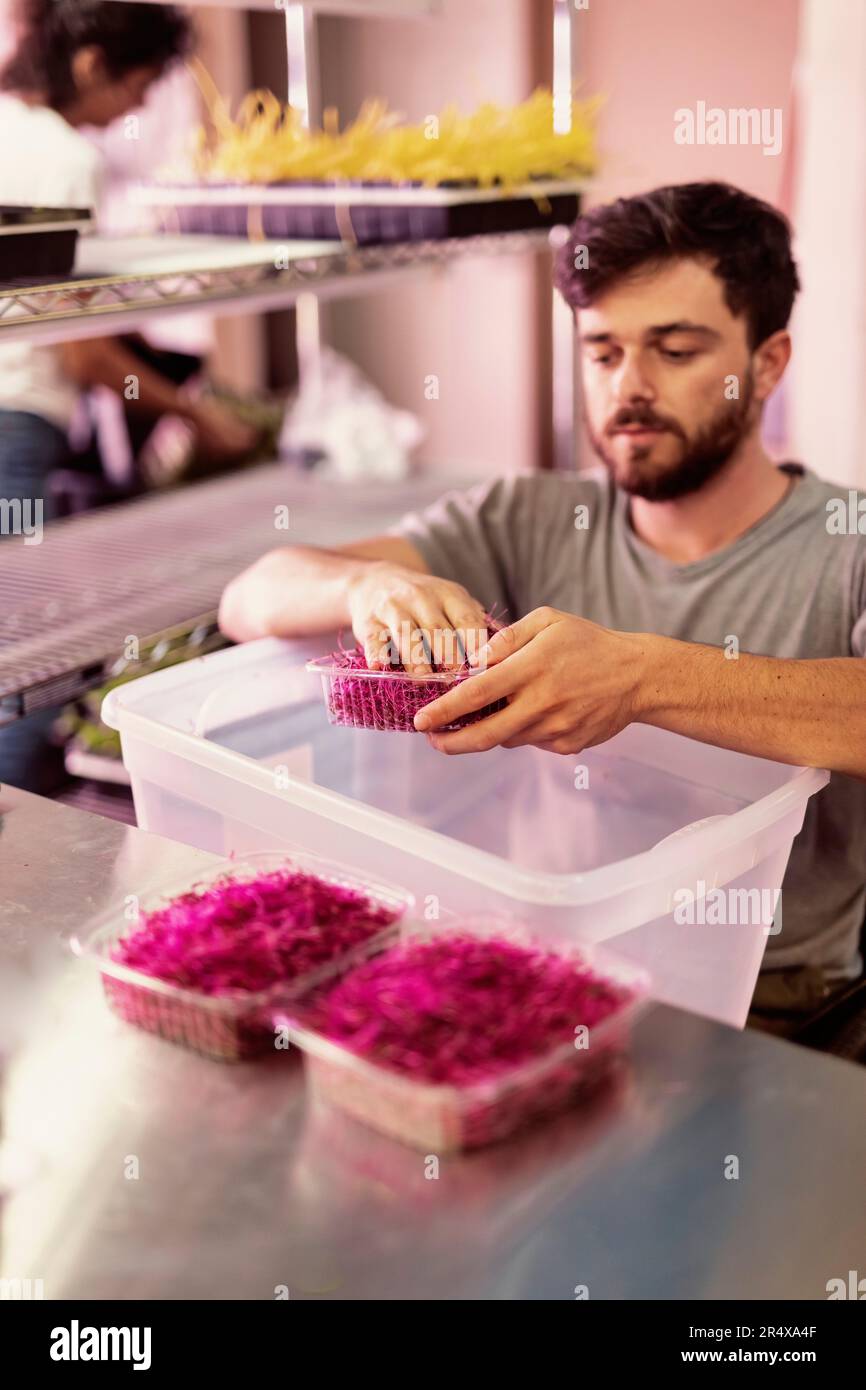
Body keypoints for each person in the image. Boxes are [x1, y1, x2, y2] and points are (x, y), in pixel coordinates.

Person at [219, 181, 866, 1035]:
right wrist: (362, 586)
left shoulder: (844, 542)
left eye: (674, 351)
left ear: (768, 363)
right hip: (551, 971)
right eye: (602, 352)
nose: (628, 388)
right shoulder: (529, 517)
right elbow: (249, 596)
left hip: (773, 1008)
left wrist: (640, 677)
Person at [0, 0, 256, 791]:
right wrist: (193, 414)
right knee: (28, 648)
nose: (142, 106)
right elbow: (78, 350)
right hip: (14, 427)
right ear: (90, 66)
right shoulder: (60, 157)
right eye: (140, 85)